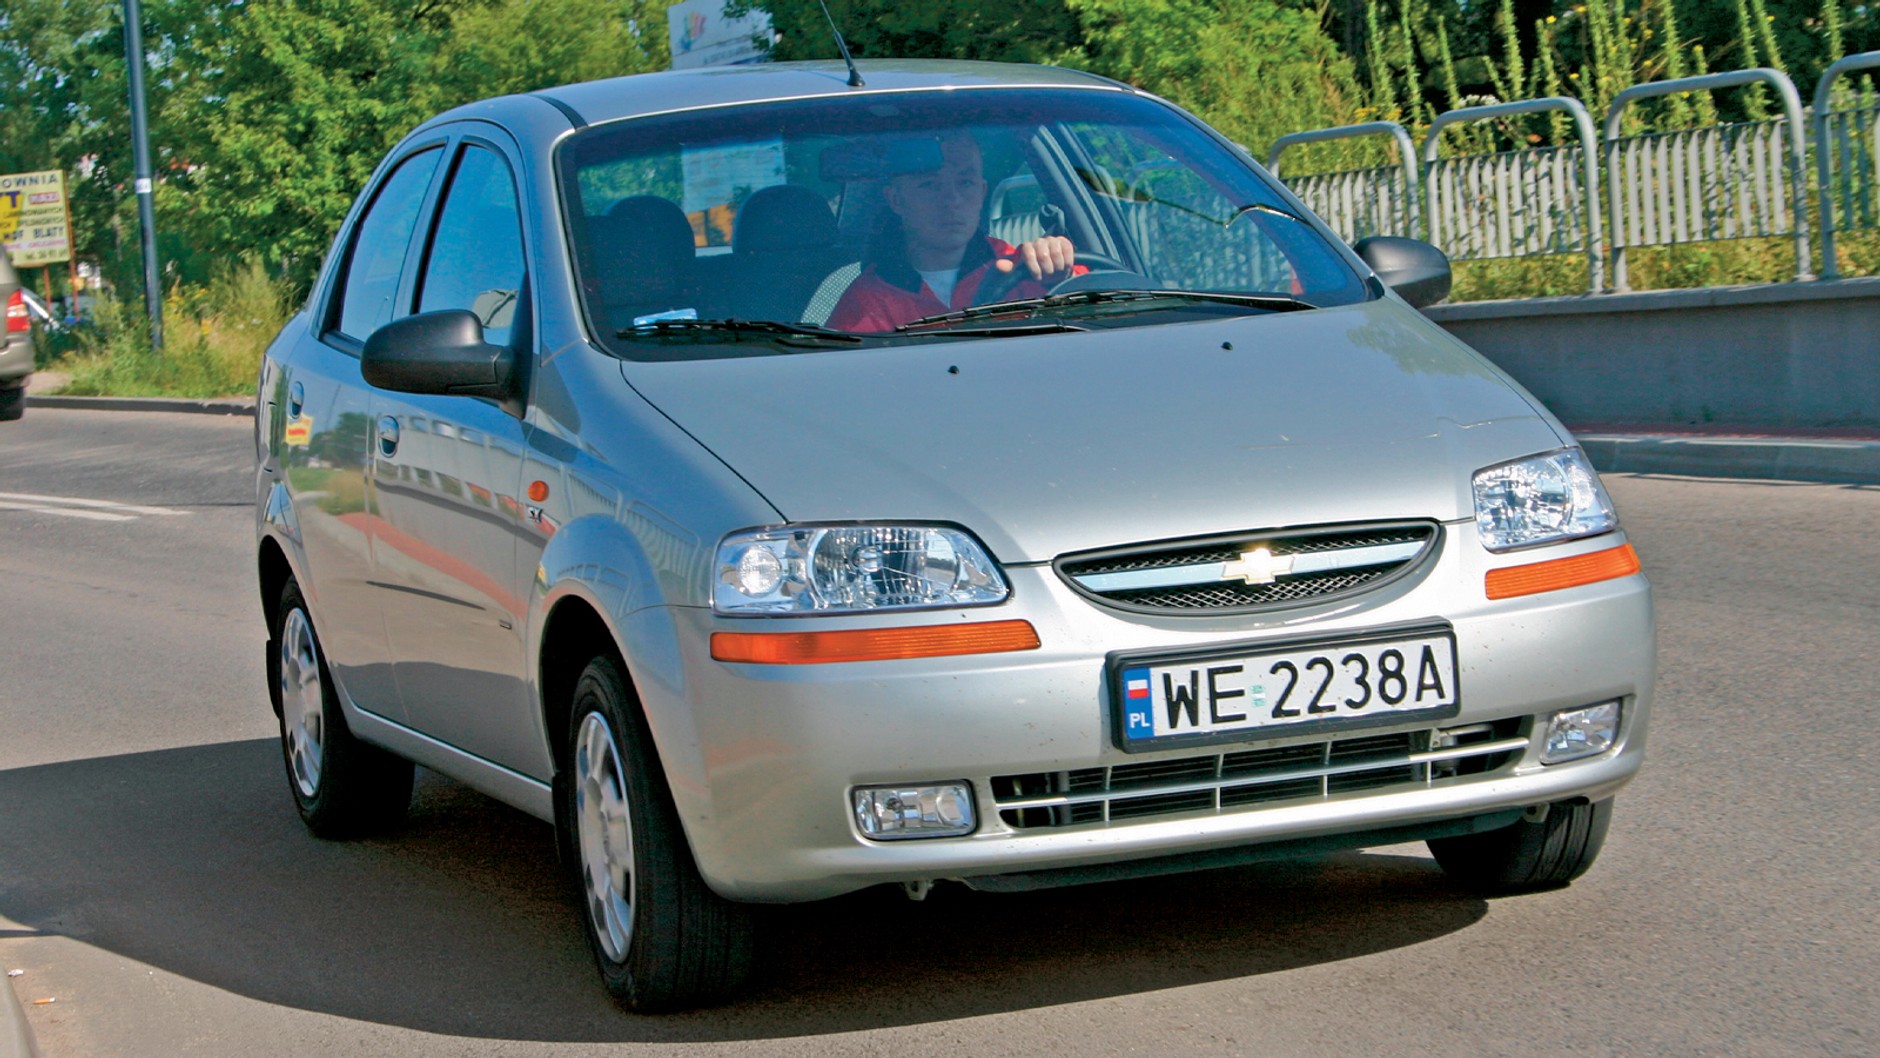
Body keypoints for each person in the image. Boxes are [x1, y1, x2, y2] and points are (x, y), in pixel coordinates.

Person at [827, 133, 1083, 332]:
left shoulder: (1030, 269)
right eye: (929, 185)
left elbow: (1106, 308)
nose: (952, 200)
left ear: (982, 193)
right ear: (896, 200)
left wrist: (1063, 273)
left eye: (965, 182)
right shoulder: (866, 301)